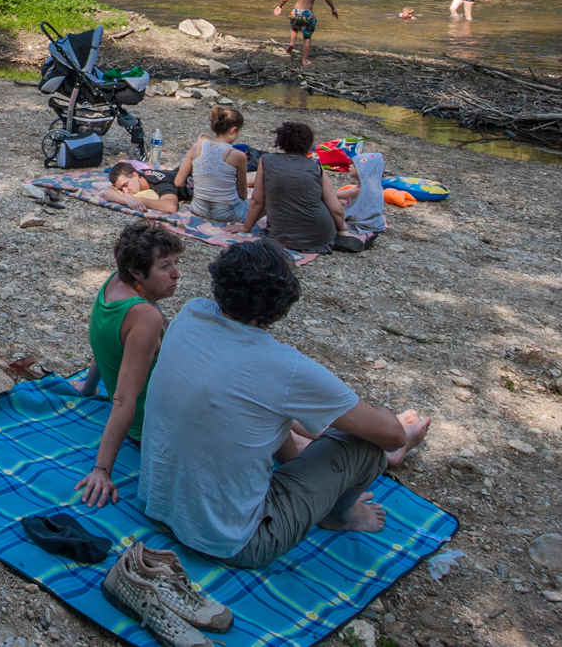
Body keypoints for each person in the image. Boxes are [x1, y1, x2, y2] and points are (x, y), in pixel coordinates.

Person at [137, 241, 431, 569]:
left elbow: (263, 417)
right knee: (365, 444)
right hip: (235, 542)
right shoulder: (284, 367)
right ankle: (342, 514)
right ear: (284, 302)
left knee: (264, 411)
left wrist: (302, 470)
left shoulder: (190, 313)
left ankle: (319, 489)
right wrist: (387, 418)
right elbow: (391, 435)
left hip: (158, 507)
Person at [71, 222, 182, 507]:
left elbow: (106, 347)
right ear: (136, 272)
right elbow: (122, 400)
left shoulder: (114, 283)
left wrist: (87, 388)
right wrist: (102, 470)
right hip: (157, 426)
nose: (176, 274)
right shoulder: (145, 316)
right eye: (165, 266)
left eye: (175, 263)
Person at [233, 120, 364, 254]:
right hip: (320, 235)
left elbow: (258, 200)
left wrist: (246, 227)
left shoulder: (266, 161)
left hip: (279, 236)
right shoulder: (315, 167)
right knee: (319, 200)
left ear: (281, 142)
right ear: (308, 144)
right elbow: (336, 209)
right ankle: (340, 238)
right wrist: (343, 229)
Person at [171, 106, 249, 225]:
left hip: (198, 208)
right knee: (261, 201)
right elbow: (242, 194)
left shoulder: (196, 148)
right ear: (233, 130)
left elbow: (178, 182)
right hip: (228, 213)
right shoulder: (239, 156)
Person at [272, 0, 337, 68]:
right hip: (308, 14)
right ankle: (304, 61)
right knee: (307, 37)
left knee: (294, 27)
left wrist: (279, 6)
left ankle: (292, 43)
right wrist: (333, 8)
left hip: (297, 12)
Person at [99, 160, 186, 215]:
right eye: (121, 189)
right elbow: (107, 193)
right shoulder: (136, 178)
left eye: (126, 185)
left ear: (135, 176)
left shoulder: (160, 183)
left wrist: (137, 200)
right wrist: (128, 201)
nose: (125, 191)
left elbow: (171, 207)